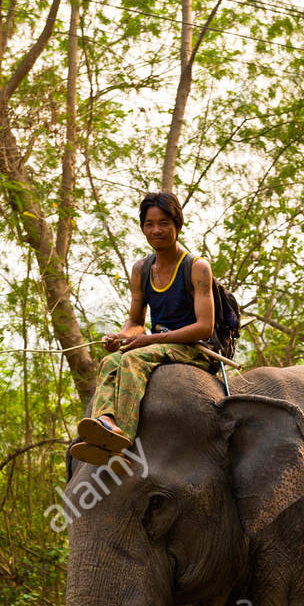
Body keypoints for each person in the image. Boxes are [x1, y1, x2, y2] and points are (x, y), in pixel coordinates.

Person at [69, 191, 219, 465]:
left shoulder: (197, 268)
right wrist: (120, 336)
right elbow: (136, 323)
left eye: (163, 223)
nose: (156, 230)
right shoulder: (141, 269)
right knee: (112, 359)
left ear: (178, 225)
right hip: (159, 344)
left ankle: (121, 442)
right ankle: (106, 421)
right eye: (149, 224)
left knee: (134, 359)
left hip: (194, 349)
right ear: (142, 228)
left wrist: (149, 341)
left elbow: (204, 327)